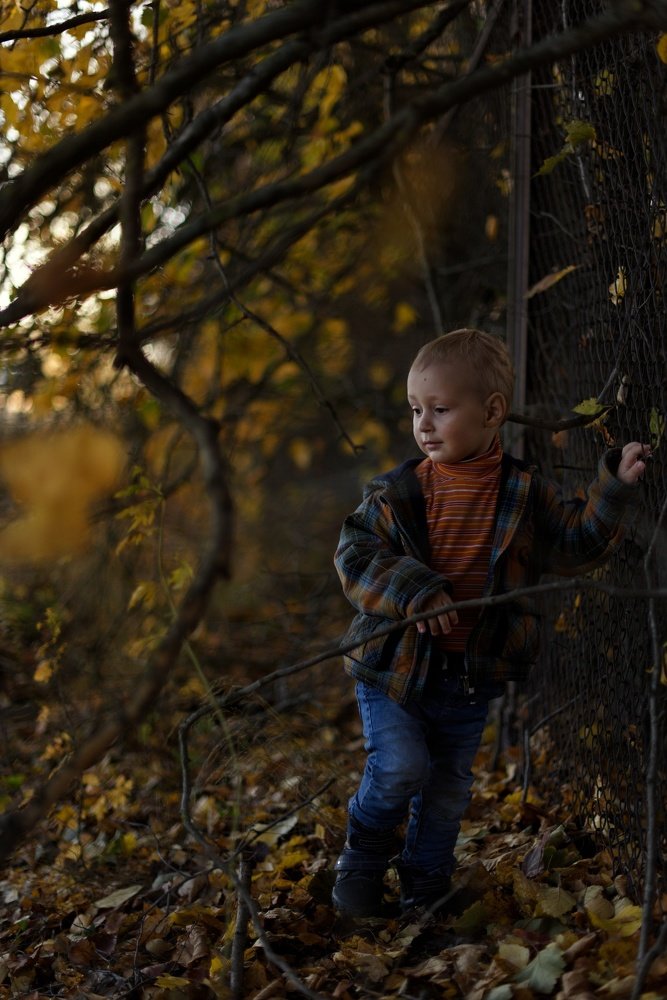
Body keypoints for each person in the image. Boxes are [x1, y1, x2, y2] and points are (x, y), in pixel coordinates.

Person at [331, 328, 649, 919]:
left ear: (493, 412)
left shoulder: (525, 494)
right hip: (393, 670)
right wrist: (415, 590)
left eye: (441, 410)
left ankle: (424, 886)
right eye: (416, 410)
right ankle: (363, 859)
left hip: (466, 675)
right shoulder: (398, 493)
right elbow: (355, 557)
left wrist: (614, 489)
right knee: (401, 767)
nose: (424, 425)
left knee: (448, 788)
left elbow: (577, 545)